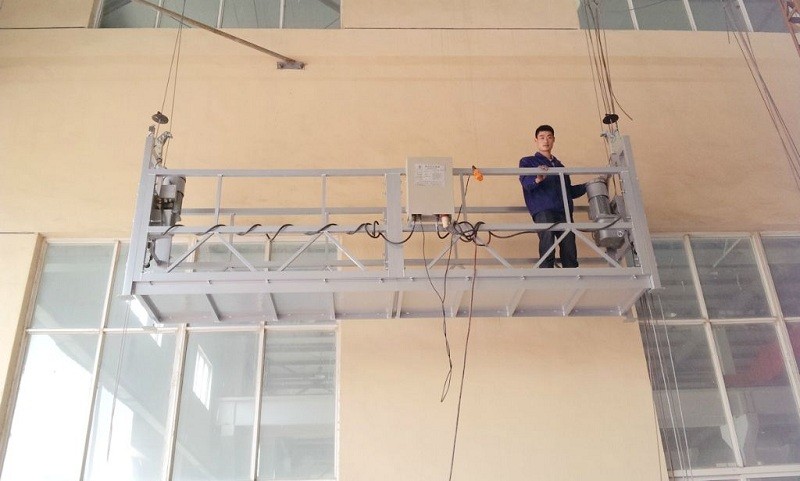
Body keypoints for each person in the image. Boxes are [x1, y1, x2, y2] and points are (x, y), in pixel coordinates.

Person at [519, 125, 587, 268]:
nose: (546, 141)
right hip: (543, 209)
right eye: (542, 137)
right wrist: (538, 178)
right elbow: (526, 183)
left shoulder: (560, 166)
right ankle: (546, 272)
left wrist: (589, 186)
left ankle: (572, 274)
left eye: (549, 137)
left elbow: (568, 191)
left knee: (569, 245)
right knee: (547, 241)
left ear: (554, 140)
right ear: (536, 140)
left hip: (563, 211)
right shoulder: (528, 161)